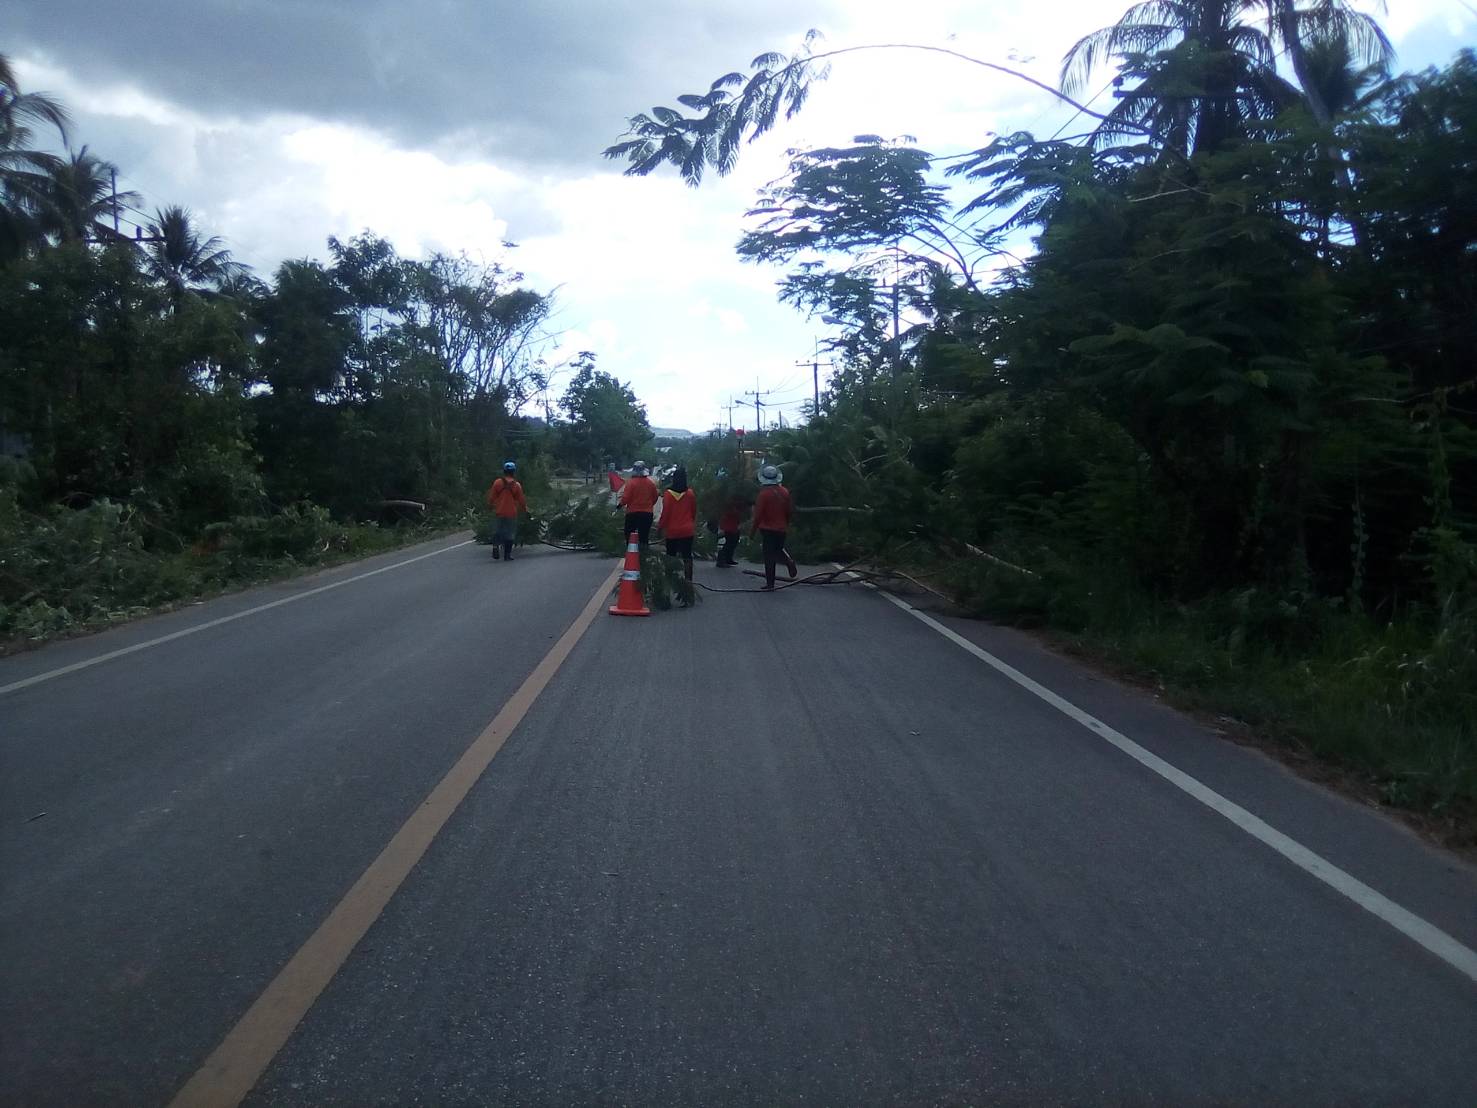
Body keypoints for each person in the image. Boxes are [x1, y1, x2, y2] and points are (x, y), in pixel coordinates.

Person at [750, 463, 797, 590]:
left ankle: (770, 584)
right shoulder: (785, 492)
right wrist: (786, 524)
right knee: (778, 548)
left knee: (769, 556)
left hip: (767, 529)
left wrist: (752, 532)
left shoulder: (763, 494)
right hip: (781, 528)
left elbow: (758, 516)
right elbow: (789, 511)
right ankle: (789, 561)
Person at [656, 466, 698, 583]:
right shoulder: (690, 494)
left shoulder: (668, 494)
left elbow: (665, 514)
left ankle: (669, 581)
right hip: (687, 530)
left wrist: (660, 528)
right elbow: (693, 512)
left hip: (672, 531)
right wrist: (691, 524)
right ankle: (688, 582)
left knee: (670, 556)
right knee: (687, 556)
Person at [485, 460, 528, 562]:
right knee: (510, 534)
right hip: (511, 513)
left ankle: (495, 547)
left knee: (497, 531)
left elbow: (491, 497)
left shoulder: (497, 483)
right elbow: (521, 500)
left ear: (504, 471)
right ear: (513, 472)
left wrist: (489, 506)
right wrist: (525, 510)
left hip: (499, 512)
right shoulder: (516, 485)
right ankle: (507, 555)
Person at [618, 460, 659, 547]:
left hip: (632, 513)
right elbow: (655, 497)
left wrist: (620, 505)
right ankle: (644, 552)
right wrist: (648, 505)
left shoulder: (631, 483)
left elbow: (626, 498)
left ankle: (631, 551)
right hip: (647, 514)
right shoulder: (650, 483)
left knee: (629, 535)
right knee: (644, 536)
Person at [716, 491, 747, 568]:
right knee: (729, 543)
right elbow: (732, 512)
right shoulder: (729, 503)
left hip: (734, 525)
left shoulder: (736, 503)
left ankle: (728, 558)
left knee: (734, 542)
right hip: (729, 526)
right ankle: (721, 560)